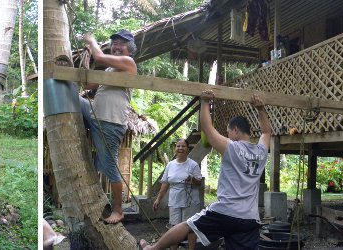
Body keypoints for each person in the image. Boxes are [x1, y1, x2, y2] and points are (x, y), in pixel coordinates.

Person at [140, 90, 272, 250]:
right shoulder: (261, 152)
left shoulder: (232, 147)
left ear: (235, 130)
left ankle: (152, 249)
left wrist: (204, 103)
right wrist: (260, 109)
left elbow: (208, 130)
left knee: (188, 226)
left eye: (229, 132)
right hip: (250, 218)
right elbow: (266, 132)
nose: (228, 135)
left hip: (226, 212)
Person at [80, 29, 138, 224]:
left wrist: (91, 40)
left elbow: (100, 56)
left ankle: (119, 210)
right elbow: (87, 84)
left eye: (121, 44)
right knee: (72, 97)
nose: (116, 46)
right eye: (114, 44)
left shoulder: (129, 64)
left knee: (110, 167)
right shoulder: (108, 71)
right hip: (95, 114)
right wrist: (86, 60)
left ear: (129, 49)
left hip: (110, 123)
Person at [153, 139, 202, 250]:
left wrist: (192, 179)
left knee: (190, 226)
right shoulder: (170, 165)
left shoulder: (193, 164)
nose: (180, 148)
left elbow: (199, 182)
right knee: (174, 226)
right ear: (175, 149)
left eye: (183, 146)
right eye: (178, 146)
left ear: (188, 149)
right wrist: (158, 199)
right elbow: (165, 183)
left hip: (190, 200)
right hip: (175, 198)